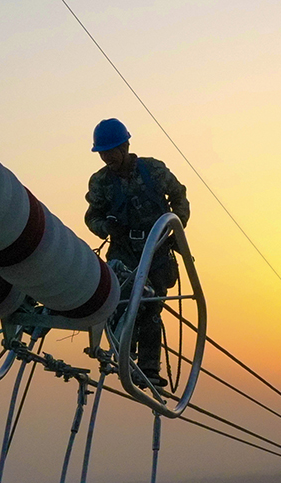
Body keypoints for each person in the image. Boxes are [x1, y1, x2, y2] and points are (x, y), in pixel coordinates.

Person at [84, 118, 190, 388]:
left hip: (157, 251)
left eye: (111, 151)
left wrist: (174, 228)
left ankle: (149, 369)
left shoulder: (153, 170)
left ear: (125, 146)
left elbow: (179, 196)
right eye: (103, 153)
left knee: (151, 307)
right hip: (124, 252)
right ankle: (124, 356)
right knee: (122, 303)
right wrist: (106, 228)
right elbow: (91, 216)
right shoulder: (100, 183)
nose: (107, 157)